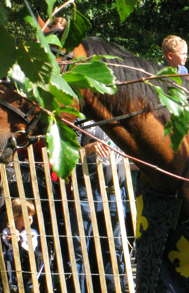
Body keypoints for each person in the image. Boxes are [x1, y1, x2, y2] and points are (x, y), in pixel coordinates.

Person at [74, 125, 128, 293]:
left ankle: (112, 289)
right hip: (87, 189)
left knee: (114, 247)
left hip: (115, 190)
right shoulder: (80, 120)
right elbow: (69, 152)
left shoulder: (118, 120)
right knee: (79, 247)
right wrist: (89, 148)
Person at [1, 198, 42, 293]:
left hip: (27, 258)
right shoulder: (7, 231)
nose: (30, 219)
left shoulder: (32, 233)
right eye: (27, 216)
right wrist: (10, 240)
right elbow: (6, 246)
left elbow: (31, 249)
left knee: (39, 256)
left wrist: (19, 241)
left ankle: (31, 283)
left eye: (32, 216)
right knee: (8, 255)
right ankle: (12, 283)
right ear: (16, 216)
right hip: (13, 260)